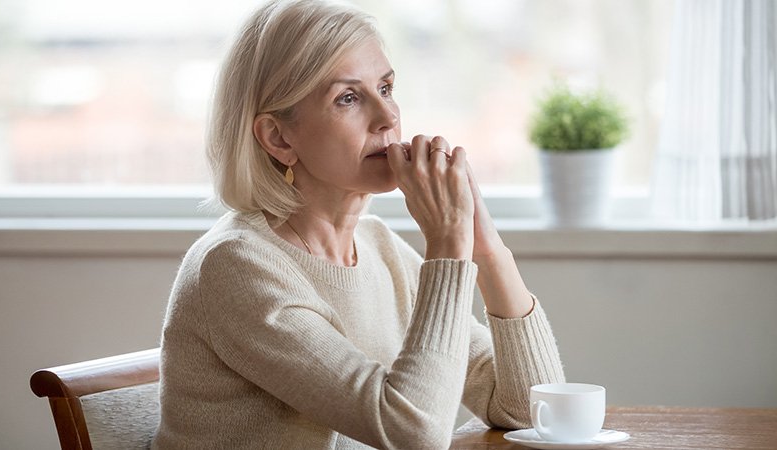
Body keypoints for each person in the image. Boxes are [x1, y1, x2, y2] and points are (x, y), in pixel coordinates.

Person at [153, 0, 565, 448]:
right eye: (348, 98)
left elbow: (530, 410)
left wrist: (483, 246)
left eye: (386, 88)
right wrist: (447, 245)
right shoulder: (235, 267)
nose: (388, 118)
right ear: (278, 137)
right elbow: (412, 433)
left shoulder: (378, 248)